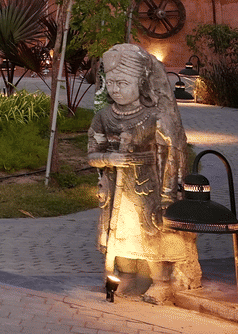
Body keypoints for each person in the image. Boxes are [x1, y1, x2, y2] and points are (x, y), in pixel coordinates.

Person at [86, 43, 200, 303]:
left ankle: (161, 279)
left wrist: (169, 193)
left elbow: (173, 153)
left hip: (149, 184)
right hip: (116, 186)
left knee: (152, 232)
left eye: (123, 83)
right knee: (121, 233)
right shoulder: (104, 117)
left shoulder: (155, 115)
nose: (116, 89)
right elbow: (92, 152)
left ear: (141, 83)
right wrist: (108, 159)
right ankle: (128, 275)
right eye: (111, 83)